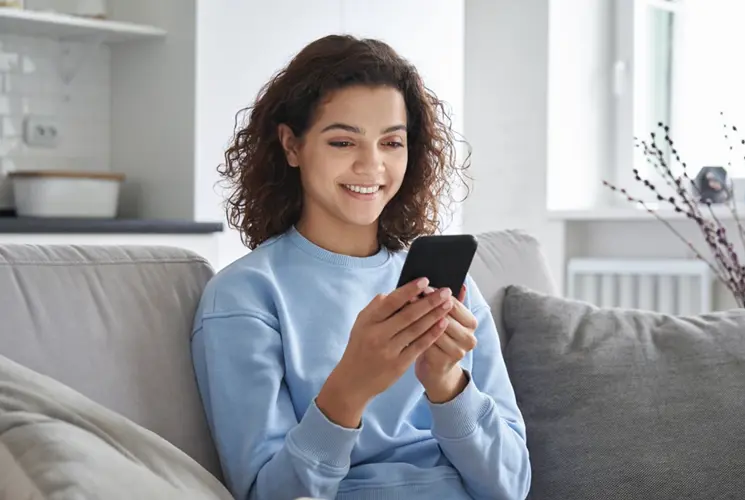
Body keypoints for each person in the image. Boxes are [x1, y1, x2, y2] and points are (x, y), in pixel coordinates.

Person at [190, 34, 531, 500]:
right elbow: (270, 494)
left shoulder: (447, 289)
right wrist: (349, 389)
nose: (372, 165)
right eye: (343, 141)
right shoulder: (245, 297)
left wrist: (448, 386)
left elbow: (511, 487)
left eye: (392, 142)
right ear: (292, 145)